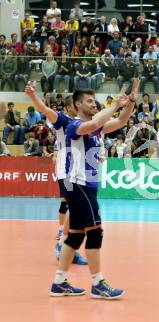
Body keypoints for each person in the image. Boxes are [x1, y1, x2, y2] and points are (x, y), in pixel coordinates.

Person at [49, 80, 140, 299]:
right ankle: (98, 283)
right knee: (95, 232)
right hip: (78, 183)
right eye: (89, 101)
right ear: (77, 104)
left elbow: (121, 121)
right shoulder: (74, 125)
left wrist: (130, 104)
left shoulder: (98, 126)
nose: (93, 103)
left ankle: (59, 282)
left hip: (87, 185)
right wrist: (116, 104)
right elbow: (92, 125)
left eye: (93, 100)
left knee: (75, 236)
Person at [25, 84, 88, 265]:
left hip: (78, 171)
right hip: (66, 172)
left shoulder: (82, 123)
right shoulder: (62, 120)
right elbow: (44, 109)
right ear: (70, 107)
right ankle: (63, 246)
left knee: (78, 209)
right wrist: (33, 96)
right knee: (75, 207)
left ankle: (68, 248)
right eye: (78, 104)